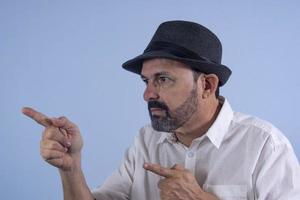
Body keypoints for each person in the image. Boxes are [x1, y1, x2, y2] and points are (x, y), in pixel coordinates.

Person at [22, 20, 300, 200]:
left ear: (207, 85)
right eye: (146, 81)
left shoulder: (265, 145)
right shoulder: (146, 142)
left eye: (163, 79)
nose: (147, 94)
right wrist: (71, 168)